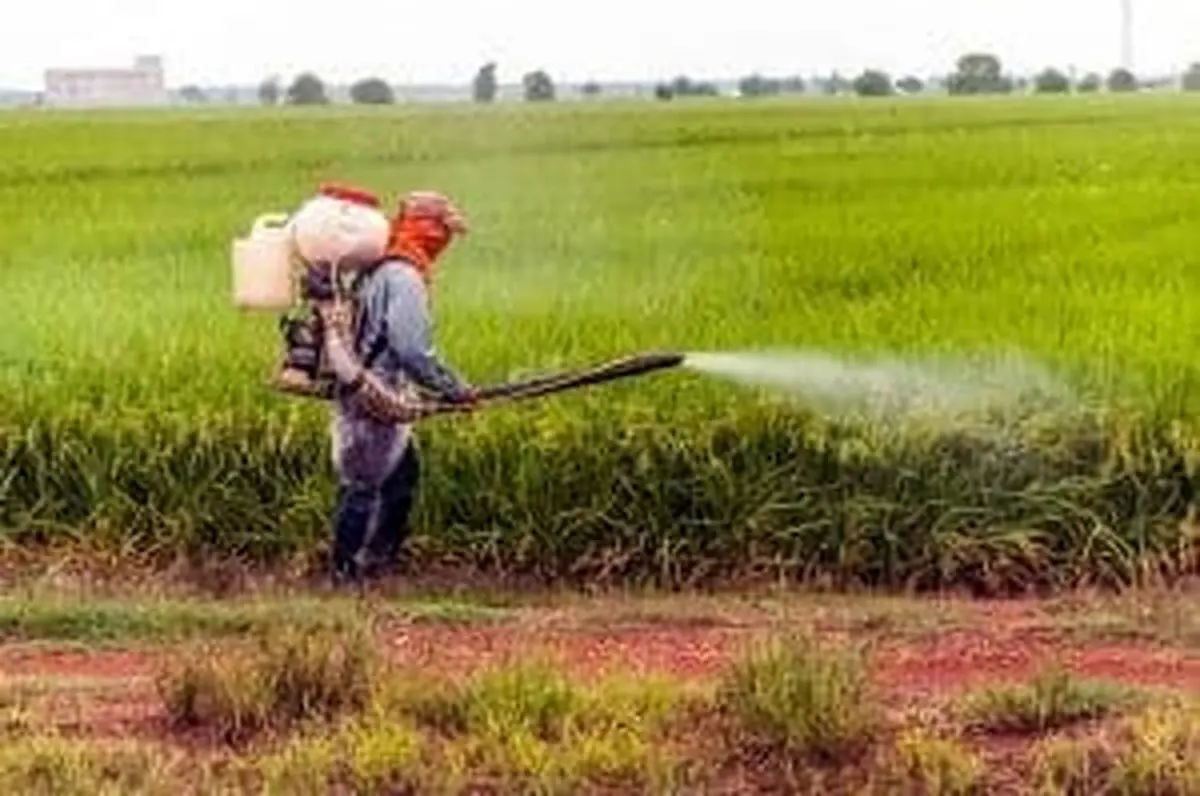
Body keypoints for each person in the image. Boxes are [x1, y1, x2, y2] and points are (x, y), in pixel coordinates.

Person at [327, 188, 477, 586]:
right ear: (429, 229)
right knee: (363, 484)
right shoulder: (404, 275)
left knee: (402, 475)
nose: (445, 240)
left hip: (366, 388)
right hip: (376, 395)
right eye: (443, 230)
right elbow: (411, 350)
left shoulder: (377, 267)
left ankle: (380, 559)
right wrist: (454, 388)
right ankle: (346, 577)